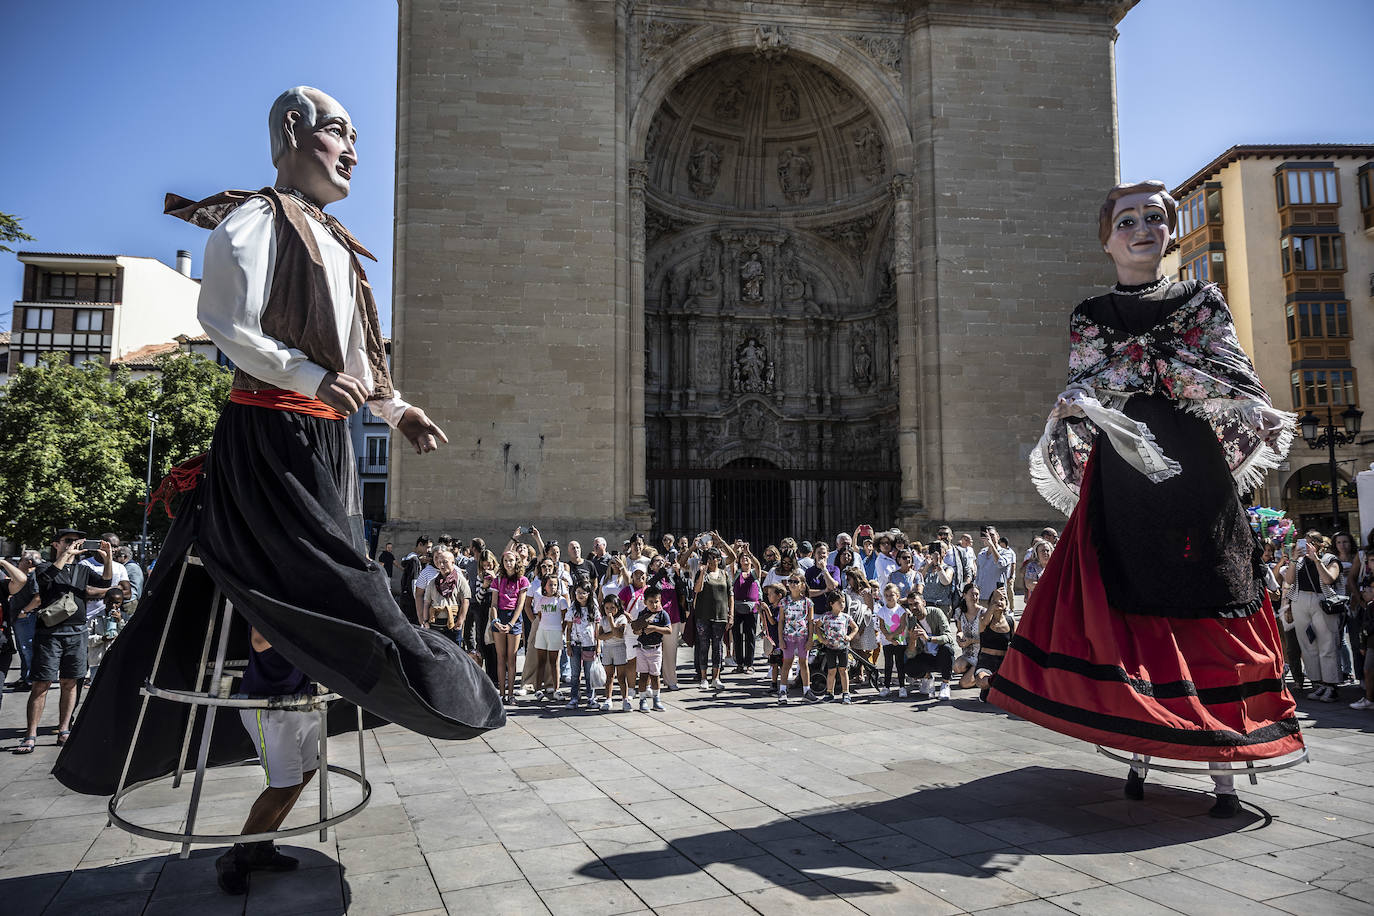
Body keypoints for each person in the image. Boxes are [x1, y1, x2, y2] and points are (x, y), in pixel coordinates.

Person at [989, 180, 1301, 819]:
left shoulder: (1202, 299)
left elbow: (1231, 375)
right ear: (1107, 240)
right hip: (1126, 477)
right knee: (1129, 602)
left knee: (1213, 591)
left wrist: (1150, 375)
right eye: (1126, 220)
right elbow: (1088, 382)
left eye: (1155, 219)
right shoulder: (1090, 314)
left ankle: (1223, 767)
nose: (1142, 229)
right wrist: (1083, 402)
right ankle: (1141, 741)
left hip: (1195, 474)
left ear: (1170, 233)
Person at [214, 626, 320, 894]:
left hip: (301, 700)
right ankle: (236, 856)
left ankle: (261, 846)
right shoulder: (275, 595)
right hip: (267, 705)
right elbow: (260, 640)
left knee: (307, 771)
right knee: (284, 784)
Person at [18, 530, 111, 755]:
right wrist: (66, 555)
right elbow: (45, 580)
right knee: (42, 683)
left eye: (76, 541)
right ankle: (30, 734)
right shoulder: (44, 568)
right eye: (68, 541)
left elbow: (106, 580)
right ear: (56, 545)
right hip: (50, 634)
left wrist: (108, 558)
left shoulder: (83, 569)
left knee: (70, 682)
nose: (73, 544)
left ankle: (64, 729)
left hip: (77, 632)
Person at [1282, 531, 1343, 702]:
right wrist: (1294, 559)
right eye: (1304, 542)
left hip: (1322, 600)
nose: (1306, 546)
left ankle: (1331, 685)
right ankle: (1318, 682)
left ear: (1318, 544)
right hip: (1300, 600)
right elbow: (1289, 579)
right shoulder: (1299, 561)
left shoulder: (1329, 559)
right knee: (1307, 643)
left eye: (1310, 543)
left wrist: (1316, 559)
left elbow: (1329, 579)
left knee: (1327, 642)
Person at [492, 551, 529, 704]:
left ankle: (511, 694)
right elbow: (493, 604)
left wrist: (511, 623)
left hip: (514, 618)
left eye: (511, 560)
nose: (508, 563)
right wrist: (495, 621)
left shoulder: (522, 580)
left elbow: (520, 604)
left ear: (516, 562)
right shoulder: (498, 580)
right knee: (500, 658)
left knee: (511, 658)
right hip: (500, 616)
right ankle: (502, 693)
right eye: (506, 560)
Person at [904, 593, 955, 700]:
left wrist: (928, 638)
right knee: (908, 665)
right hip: (925, 656)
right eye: (910, 605)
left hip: (940, 655)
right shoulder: (911, 621)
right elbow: (910, 654)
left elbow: (949, 637)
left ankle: (945, 684)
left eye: (916, 603)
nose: (913, 607)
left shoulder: (936, 613)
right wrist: (913, 640)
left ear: (924, 603)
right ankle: (927, 677)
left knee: (947, 649)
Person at [777, 574, 818, 704]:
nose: (793, 584)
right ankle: (783, 691)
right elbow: (781, 621)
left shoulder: (807, 602)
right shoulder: (784, 602)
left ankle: (807, 690)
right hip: (788, 637)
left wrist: (810, 639)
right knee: (787, 663)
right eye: (790, 581)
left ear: (802, 585)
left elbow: (811, 621)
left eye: (796, 581)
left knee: (803, 663)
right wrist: (780, 639)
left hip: (802, 637)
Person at [631, 586, 671, 712]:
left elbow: (669, 630)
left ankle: (656, 700)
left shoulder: (663, 614)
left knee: (655, 676)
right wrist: (638, 630)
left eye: (657, 601)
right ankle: (642, 700)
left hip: (656, 649)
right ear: (645, 602)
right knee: (643, 676)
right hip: (642, 648)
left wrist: (654, 628)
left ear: (660, 601)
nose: (654, 605)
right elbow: (636, 630)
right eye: (651, 602)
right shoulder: (642, 614)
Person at [529, 575, 569, 699]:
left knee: (554, 662)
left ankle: (556, 690)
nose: (553, 587)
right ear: (544, 586)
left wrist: (561, 629)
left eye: (555, 585)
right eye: (550, 584)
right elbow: (539, 615)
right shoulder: (540, 600)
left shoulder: (561, 600)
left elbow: (565, 617)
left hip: (555, 632)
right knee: (541, 661)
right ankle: (538, 690)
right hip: (542, 632)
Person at [815, 591, 858, 704]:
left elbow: (855, 628)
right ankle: (829, 692)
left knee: (843, 670)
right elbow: (817, 627)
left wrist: (850, 636)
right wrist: (822, 639)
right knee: (831, 671)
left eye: (843, 602)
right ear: (831, 604)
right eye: (839, 602)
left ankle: (846, 693)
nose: (842, 604)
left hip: (843, 647)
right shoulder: (826, 617)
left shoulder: (846, 617)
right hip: (830, 648)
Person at [421, 547, 470, 645]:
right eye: (439, 562)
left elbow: (465, 601)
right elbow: (426, 603)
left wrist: (460, 621)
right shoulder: (432, 582)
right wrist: (425, 621)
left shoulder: (460, 580)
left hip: (453, 624)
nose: (442, 565)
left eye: (445, 562)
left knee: (455, 654)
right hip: (435, 624)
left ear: (453, 563)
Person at [563, 582, 600, 709]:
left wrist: (598, 645)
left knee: (589, 673)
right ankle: (574, 698)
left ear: (589, 594)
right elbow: (568, 627)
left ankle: (591, 698)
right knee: (575, 673)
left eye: (583, 592)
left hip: (589, 644)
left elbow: (597, 627)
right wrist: (568, 645)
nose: (580, 595)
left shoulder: (593, 607)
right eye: (578, 592)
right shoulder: (573, 607)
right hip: (575, 644)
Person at [974, 589, 1013, 702]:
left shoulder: (1011, 622)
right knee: (982, 681)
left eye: (1002, 599)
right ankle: (993, 684)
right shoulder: (983, 620)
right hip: (986, 661)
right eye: (995, 600)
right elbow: (985, 621)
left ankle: (998, 685)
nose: (999, 602)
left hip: (1003, 662)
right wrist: (992, 605)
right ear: (990, 604)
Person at [597, 594, 631, 712]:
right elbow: (600, 636)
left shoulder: (621, 618)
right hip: (607, 649)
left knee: (621, 676)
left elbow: (620, 634)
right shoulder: (602, 619)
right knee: (609, 676)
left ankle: (625, 700)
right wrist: (612, 633)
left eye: (612, 607)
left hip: (619, 648)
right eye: (607, 608)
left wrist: (611, 623)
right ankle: (608, 699)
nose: (609, 610)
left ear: (618, 607)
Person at [875, 583, 908, 698]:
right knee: (888, 664)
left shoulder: (901, 610)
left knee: (900, 664)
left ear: (897, 596)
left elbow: (902, 626)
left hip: (899, 641)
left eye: (892, 595)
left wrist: (893, 637)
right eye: (887, 595)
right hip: (887, 642)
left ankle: (902, 687)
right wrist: (888, 637)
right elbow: (882, 626)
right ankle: (886, 687)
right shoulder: (882, 611)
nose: (889, 597)